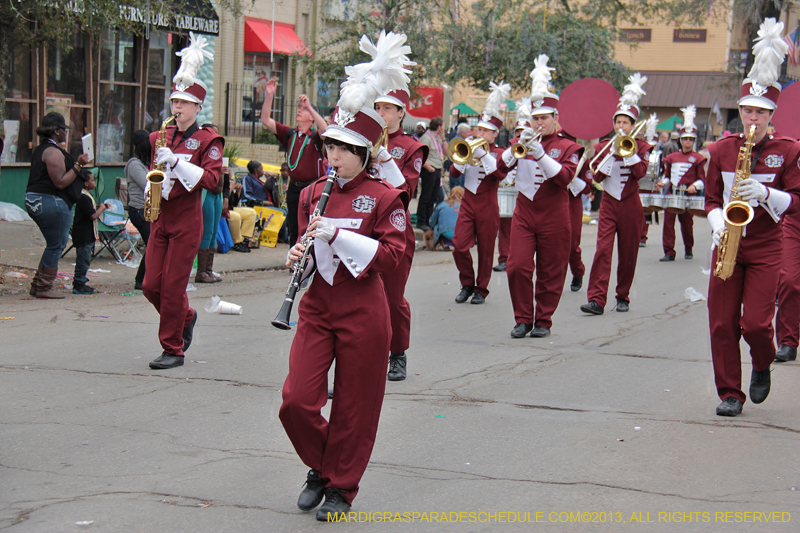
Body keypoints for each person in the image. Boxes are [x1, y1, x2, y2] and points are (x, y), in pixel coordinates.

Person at [278, 33, 408, 521]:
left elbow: (391, 257)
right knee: (296, 401)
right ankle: (322, 464)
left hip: (363, 310)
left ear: (365, 153)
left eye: (344, 148)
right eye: (330, 145)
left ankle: (341, 487)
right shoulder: (312, 193)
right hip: (317, 306)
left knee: (355, 406)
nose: (332, 155)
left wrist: (339, 235)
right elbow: (314, 252)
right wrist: (300, 254)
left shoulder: (385, 197)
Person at [705, 18, 800, 416]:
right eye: (748, 111)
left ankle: (762, 362)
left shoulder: (788, 150)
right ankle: (730, 393)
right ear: (740, 111)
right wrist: (717, 225)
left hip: (765, 245)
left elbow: (796, 201)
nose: (753, 119)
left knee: (757, 325)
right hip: (729, 242)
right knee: (722, 323)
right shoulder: (721, 150)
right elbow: (711, 199)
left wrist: (766, 194)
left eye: (761, 112)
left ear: (771, 114)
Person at [142, 34, 223, 370]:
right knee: (150, 285)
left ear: (197, 107)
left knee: (173, 286)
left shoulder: (208, 139)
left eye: (184, 103)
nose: (177, 108)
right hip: (161, 216)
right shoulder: (159, 136)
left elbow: (213, 181)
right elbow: (153, 171)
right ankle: (185, 317)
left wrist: (176, 162)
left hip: (187, 220)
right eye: (175, 102)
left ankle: (173, 349)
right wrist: (149, 189)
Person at [497, 55, 584, 337]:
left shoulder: (569, 146)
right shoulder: (520, 140)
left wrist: (542, 155)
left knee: (550, 269)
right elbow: (499, 168)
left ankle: (543, 320)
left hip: (554, 214)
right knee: (516, 266)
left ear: (555, 118)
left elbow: (564, 178)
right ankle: (523, 318)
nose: (538, 123)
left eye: (543, 118)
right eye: (534, 118)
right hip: (525, 212)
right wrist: (516, 148)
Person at [581, 73, 652, 315]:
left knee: (628, 252)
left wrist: (628, 153)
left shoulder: (641, 147)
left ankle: (623, 295)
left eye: (625, 123)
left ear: (633, 126)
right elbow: (597, 178)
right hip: (609, 204)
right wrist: (611, 153)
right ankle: (596, 299)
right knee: (603, 250)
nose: (621, 127)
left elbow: (640, 173)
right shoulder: (603, 147)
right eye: (618, 122)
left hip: (631, 204)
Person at [374, 85, 428, 382]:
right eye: (377, 107)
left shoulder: (410, 147)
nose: (380, 113)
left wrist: (384, 159)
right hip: (364, 224)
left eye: (387, 108)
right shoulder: (362, 139)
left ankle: (397, 353)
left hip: (394, 226)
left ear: (400, 113)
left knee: (392, 297)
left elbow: (405, 192)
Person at [448, 81, 509, 304]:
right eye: (479, 129)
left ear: (495, 134)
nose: (481, 133)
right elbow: (454, 172)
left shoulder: (500, 153)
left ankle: (481, 289)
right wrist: (463, 158)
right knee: (459, 246)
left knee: (486, 249)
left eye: (486, 131)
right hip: (468, 201)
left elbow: (499, 174)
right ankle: (467, 283)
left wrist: (483, 155)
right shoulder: (469, 147)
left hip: (488, 204)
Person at [25, 111, 90, 299]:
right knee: (56, 244)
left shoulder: (42, 149)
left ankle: (38, 285)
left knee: (53, 243)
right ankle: (44, 287)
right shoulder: (53, 152)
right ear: (56, 131)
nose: (65, 132)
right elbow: (60, 182)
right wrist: (78, 165)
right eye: (63, 129)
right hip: (50, 201)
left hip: (39, 200)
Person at [260, 78, 327, 245]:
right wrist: (270, 95)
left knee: (311, 227)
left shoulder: (315, 136)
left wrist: (309, 106)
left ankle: (310, 257)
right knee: (294, 228)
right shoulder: (291, 134)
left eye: (303, 110)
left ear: (311, 117)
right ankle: (293, 256)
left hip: (312, 188)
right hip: (294, 188)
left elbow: (325, 129)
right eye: (299, 109)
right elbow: (265, 120)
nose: (299, 111)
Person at [657, 105, 706, 262]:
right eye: (685, 139)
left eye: (690, 139)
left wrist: (694, 186)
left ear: (694, 141)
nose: (687, 142)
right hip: (672, 193)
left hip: (687, 195)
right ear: (681, 140)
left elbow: (702, 179)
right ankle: (669, 252)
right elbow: (668, 176)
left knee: (687, 225)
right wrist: (663, 183)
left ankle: (688, 248)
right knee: (668, 223)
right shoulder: (672, 157)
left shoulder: (698, 158)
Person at [494, 103, 530, 273]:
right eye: (517, 132)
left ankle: (520, 258)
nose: (520, 135)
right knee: (505, 226)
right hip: (509, 190)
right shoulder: (509, 149)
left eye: (523, 132)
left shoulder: (534, 150)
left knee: (523, 229)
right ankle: (503, 258)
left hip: (525, 193)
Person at [71, 172, 109, 294]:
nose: (95, 183)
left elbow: (89, 209)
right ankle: (79, 284)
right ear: (86, 183)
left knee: (85, 259)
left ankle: (81, 282)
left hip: (86, 234)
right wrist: (101, 208)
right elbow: (93, 216)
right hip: (83, 235)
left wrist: (98, 206)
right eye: (92, 180)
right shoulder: (84, 197)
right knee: (83, 261)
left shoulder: (86, 196)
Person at [126, 130, 152, 290]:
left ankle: (145, 278)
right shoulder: (134, 164)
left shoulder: (143, 163)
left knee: (153, 244)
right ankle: (140, 280)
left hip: (146, 209)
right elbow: (147, 185)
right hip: (139, 210)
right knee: (152, 245)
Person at [417, 117, 445, 230]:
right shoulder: (426, 138)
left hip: (437, 170)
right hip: (430, 170)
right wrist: (429, 168)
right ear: (439, 127)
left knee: (433, 198)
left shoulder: (437, 138)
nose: (444, 128)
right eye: (443, 126)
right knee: (426, 196)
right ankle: (421, 221)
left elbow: (445, 152)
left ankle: (429, 220)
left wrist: (443, 139)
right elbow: (420, 154)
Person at [427, 186, 463, 250]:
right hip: (463, 234)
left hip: (446, 233)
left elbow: (431, 222)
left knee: (438, 225)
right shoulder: (465, 206)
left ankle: (443, 242)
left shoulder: (442, 205)